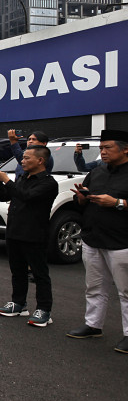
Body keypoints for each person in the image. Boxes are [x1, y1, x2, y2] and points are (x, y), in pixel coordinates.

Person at [66, 129, 128, 353]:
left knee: (126, 291)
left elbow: (117, 203)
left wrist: (118, 203)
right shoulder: (98, 172)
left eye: (108, 148)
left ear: (125, 148)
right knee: (94, 286)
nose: (102, 152)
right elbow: (82, 201)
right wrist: (81, 198)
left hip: (122, 241)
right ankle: (93, 325)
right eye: (101, 148)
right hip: (93, 237)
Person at [0, 145, 59, 326]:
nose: (22, 161)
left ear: (40, 161)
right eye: (23, 158)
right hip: (14, 231)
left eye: (27, 158)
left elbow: (27, 196)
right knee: (17, 271)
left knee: (39, 273)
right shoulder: (22, 177)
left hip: (34, 234)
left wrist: (6, 180)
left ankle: (44, 310)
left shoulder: (48, 183)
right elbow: (5, 196)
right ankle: (19, 303)